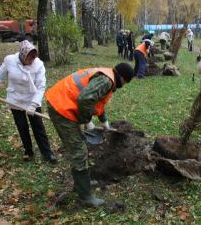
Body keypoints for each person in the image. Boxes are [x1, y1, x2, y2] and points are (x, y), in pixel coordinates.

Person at [45, 63, 134, 207]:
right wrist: (88, 121)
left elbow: (96, 100)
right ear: (123, 78)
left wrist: (104, 120)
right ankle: (85, 197)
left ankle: (82, 183)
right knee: (79, 151)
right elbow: (84, 99)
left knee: (79, 145)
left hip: (61, 102)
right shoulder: (107, 81)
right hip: (61, 107)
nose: (124, 85)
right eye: (126, 82)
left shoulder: (107, 76)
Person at [0, 40, 57, 163]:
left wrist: (34, 104)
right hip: (15, 100)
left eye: (34, 57)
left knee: (38, 127)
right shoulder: (10, 61)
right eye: (29, 58)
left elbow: (41, 86)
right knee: (22, 127)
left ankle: (47, 152)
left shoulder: (38, 65)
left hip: (32, 100)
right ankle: (28, 151)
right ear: (23, 55)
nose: (32, 60)